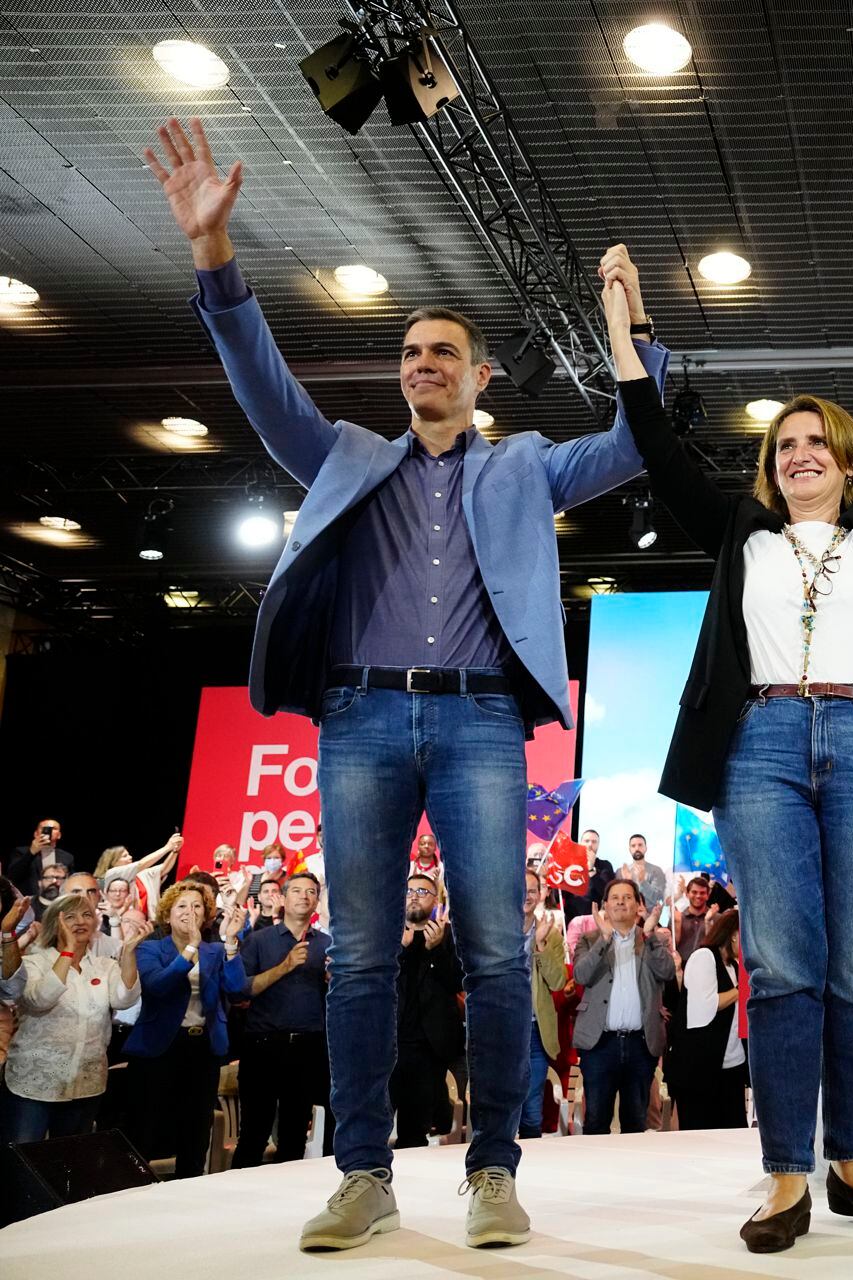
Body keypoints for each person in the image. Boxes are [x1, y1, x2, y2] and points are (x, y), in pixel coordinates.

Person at [143, 118, 672, 1250]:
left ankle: (492, 1170)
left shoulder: (526, 463)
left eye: (444, 352)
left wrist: (632, 329)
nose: (422, 364)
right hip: (361, 718)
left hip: (482, 721)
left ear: (481, 375)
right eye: (409, 353)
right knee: (364, 956)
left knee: (489, 952)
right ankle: (365, 1173)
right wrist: (213, 249)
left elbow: (639, 441)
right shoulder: (346, 454)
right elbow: (259, 378)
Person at [616, 260, 853, 1253]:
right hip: (760, 745)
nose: (802, 453)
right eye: (786, 444)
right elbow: (656, 439)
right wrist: (624, 335)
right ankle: (784, 1174)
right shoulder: (741, 531)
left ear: (851, 462)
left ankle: (852, 1160)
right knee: (780, 965)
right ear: (769, 467)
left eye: (820, 442)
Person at [0, 892, 147, 1142]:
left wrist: (130, 951)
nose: (80, 920)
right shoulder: (35, 963)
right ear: (54, 924)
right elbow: (39, 999)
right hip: (34, 1083)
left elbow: (125, 999)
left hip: (85, 1081)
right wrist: (67, 951)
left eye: (87, 914)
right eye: (70, 916)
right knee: (23, 1162)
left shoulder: (105, 966)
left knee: (70, 1165)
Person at [125, 883, 249, 1176]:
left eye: (197, 906)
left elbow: (237, 990)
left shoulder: (216, 951)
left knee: (195, 1130)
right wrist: (190, 947)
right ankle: (133, 1194)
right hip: (158, 1049)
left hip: (202, 1049)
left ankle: (188, 1195)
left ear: (206, 914)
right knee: (146, 1127)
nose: (189, 912)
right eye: (182, 906)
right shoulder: (150, 948)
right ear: (167, 915)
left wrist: (230, 942)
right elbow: (158, 986)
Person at [234, 871, 331, 1167]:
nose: (305, 896)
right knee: (253, 1134)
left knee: (294, 1136)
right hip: (263, 1047)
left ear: (316, 902)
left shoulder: (326, 944)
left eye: (311, 892)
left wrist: (332, 980)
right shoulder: (259, 940)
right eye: (297, 890)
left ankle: (285, 1208)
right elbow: (241, 990)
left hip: (309, 1048)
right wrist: (285, 966)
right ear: (283, 899)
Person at [571, 880, 675, 1136]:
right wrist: (605, 938)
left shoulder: (651, 939)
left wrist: (650, 937)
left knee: (635, 1122)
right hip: (600, 1044)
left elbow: (667, 972)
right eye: (614, 897)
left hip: (640, 1044)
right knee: (595, 1120)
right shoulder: (590, 939)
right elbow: (581, 976)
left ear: (639, 905)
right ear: (605, 905)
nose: (620, 902)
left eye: (627, 897)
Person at [393, 874, 464, 1149]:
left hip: (428, 1048)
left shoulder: (447, 937)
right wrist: (400, 949)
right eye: (409, 889)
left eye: (422, 890)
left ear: (435, 900)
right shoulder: (388, 934)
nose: (414, 895)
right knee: (378, 1123)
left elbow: (458, 981)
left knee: (415, 1130)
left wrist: (435, 952)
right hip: (390, 1043)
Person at [673, 908, 748, 1130]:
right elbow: (707, 1005)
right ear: (734, 933)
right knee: (702, 1133)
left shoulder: (734, 966)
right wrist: (743, 988)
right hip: (700, 1068)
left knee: (734, 1132)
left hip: (732, 1064)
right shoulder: (704, 957)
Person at [518, 870, 568, 1141]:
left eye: (532, 890)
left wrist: (540, 947)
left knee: (532, 1108)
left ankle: (531, 1165)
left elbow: (559, 981)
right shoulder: (497, 933)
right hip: (503, 1028)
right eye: (521, 888)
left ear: (540, 894)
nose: (527, 895)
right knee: (501, 1103)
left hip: (536, 1031)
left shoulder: (552, 935)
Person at [7, 819, 72, 898]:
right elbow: (12, 876)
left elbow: (70, 881)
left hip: (58, 900)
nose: (49, 831)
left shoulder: (67, 857)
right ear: (36, 834)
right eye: (44, 828)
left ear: (59, 835)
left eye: (54, 828)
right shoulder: (21, 852)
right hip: (30, 901)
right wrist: (31, 852)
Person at [617, 834, 669, 914]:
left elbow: (658, 898)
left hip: (649, 919)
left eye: (640, 845)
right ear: (629, 849)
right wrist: (627, 882)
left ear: (646, 848)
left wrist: (643, 882)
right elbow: (618, 899)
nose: (637, 848)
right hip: (626, 917)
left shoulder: (656, 870)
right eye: (633, 846)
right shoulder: (621, 871)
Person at [672, 874, 714, 964]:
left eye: (702, 893)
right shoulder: (677, 918)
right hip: (682, 967)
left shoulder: (716, 918)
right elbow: (671, 948)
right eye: (694, 892)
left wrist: (709, 922)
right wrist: (677, 926)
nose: (698, 896)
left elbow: (718, 947)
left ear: (708, 895)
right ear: (687, 894)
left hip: (708, 966)